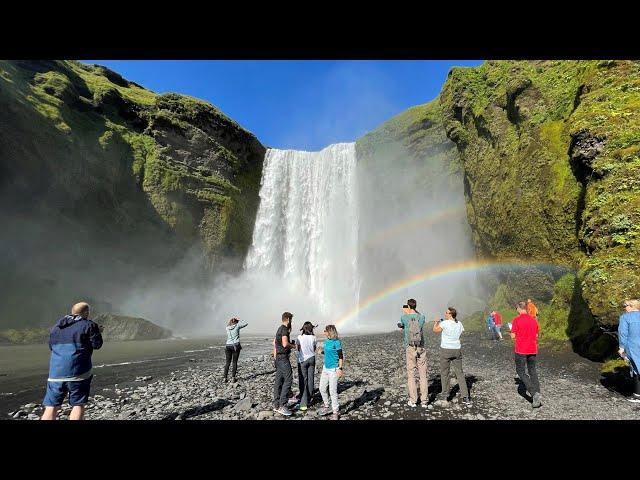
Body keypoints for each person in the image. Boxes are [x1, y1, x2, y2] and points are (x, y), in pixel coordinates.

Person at [41, 302, 103, 420]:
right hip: (78, 373)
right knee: (78, 405)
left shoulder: (56, 328)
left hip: (55, 373)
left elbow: (51, 347)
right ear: (86, 312)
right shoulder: (89, 325)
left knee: (51, 406)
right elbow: (97, 345)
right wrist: (97, 332)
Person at [433, 307, 471, 405]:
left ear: (450, 314)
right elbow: (460, 333)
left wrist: (436, 322)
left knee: (445, 373)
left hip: (446, 350)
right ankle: (465, 396)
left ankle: (445, 395)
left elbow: (435, 330)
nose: (445, 314)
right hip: (457, 349)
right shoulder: (459, 323)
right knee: (460, 373)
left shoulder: (444, 323)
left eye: (446, 312)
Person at [510, 301, 541, 408]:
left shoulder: (516, 320)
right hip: (532, 349)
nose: (516, 310)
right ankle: (538, 392)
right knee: (532, 371)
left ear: (519, 308)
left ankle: (533, 393)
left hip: (521, 350)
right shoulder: (534, 320)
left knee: (520, 371)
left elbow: (513, 336)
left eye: (516, 308)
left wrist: (516, 334)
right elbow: (536, 335)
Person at [397, 299, 428, 407]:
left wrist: (407, 312)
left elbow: (404, 325)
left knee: (411, 374)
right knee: (423, 375)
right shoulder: (422, 317)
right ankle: (424, 401)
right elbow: (419, 319)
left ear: (408, 307)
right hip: (421, 347)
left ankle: (413, 400)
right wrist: (413, 310)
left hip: (410, 348)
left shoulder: (404, 317)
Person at [317, 325, 343, 420]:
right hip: (325, 368)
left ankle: (335, 412)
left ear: (330, 332)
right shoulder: (326, 341)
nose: (324, 332)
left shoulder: (337, 342)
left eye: (325, 330)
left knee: (332, 391)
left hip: (334, 369)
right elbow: (328, 352)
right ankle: (327, 406)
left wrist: (340, 368)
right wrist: (321, 352)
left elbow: (340, 356)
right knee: (322, 388)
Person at [273, 311, 295, 416]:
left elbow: (274, 343)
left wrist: (275, 358)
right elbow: (285, 344)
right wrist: (295, 346)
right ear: (288, 319)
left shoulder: (279, 328)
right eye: (291, 319)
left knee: (278, 381)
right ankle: (283, 405)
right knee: (288, 379)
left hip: (278, 358)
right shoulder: (285, 329)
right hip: (283, 358)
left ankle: (276, 405)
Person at [618, 299, 640, 403]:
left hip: (633, 345)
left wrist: (621, 348)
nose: (624, 308)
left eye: (625, 305)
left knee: (636, 368)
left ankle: (637, 395)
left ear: (632, 306)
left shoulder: (625, 317)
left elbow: (623, 333)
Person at [296, 321, 317, 411]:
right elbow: (314, 348)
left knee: (303, 380)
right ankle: (310, 397)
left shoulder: (299, 337)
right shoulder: (313, 337)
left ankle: (304, 403)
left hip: (302, 360)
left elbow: (298, 349)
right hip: (312, 358)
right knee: (310, 378)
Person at [224, 317, 247, 383]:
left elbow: (229, 324)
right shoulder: (238, 326)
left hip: (228, 346)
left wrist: (232, 320)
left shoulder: (227, 328)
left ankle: (225, 378)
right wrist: (240, 320)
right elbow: (245, 324)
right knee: (234, 362)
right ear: (237, 322)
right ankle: (233, 378)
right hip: (235, 346)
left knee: (227, 362)